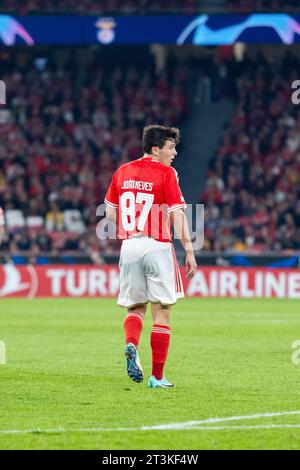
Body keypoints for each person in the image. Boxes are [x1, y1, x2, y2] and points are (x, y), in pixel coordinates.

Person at [104, 125, 197, 388]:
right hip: (157, 246)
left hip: (129, 246)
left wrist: (131, 225)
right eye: (170, 147)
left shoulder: (123, 171)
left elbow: (110, 214)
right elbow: (177, 215)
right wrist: (189, 251)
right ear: (156, 150)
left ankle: (131, 345)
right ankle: (157, 377)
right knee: (162, 311)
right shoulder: (167, 173)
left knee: (135, 307)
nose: (175, 153)